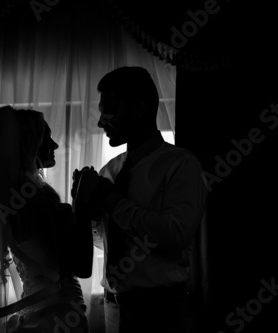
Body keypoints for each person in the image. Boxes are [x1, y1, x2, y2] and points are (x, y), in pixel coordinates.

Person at [73, 66, 207, 333]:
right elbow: (107, 243)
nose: (100, 122)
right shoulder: (108, 171)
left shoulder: (181, 165)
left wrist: (111, 200)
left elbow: (176, 235)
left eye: (107, 111)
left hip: (162, 314)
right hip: (114, 311)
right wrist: (85, 208)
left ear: (137, 108)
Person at [0, 105, 92, 332]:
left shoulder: (19, 197)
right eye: (46, 137)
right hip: (56, 316)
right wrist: (83, 203)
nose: (55, 144)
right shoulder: (29, 202)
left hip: (41, 312)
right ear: (28, 144)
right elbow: (81, 266)